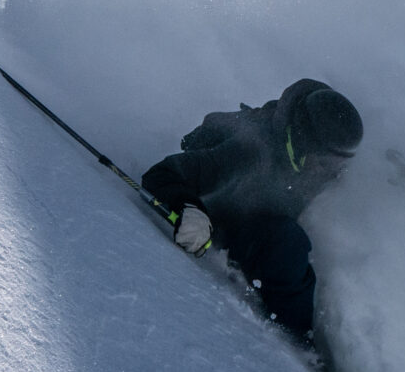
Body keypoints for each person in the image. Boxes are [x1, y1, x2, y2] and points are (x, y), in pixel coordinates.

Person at [140, 78, 363, 342]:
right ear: (304, 145)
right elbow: (161, 174)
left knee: (284, 237)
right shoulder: (248, 153)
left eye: (341, 162)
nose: (335, 171)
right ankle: (295, 338)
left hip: (263, 216)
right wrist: (191, 210)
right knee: (288, 241)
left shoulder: (319, 159)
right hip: (228, 225)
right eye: (327, 163)